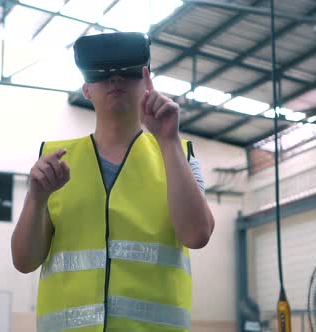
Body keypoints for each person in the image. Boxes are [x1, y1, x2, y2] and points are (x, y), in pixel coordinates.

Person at [11, 32, 215, 332]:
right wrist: (36, 197)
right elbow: (24, 261)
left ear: (147, 82)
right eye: (102, 74)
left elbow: (197, 235)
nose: (115, 80)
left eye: (127, 73)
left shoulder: (179, 155)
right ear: (86, 90)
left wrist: (168, 139)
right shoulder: (53, 164)